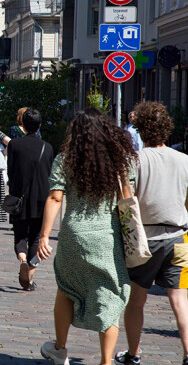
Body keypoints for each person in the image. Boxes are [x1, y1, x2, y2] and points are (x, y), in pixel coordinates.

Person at [38, 108, 137, 365]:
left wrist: (44, 236)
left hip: (73, 236)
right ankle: (106, 361)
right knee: (110, 299)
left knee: (66, 289)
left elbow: (55, 197)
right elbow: (128, 197)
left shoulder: (65, 159)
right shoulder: (120, 160)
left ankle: (60, 349)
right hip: (108, 237)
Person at [115, 102, 188, 365]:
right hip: (178, 237)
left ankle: (133, 353)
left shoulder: (133, 160)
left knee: (136, 299)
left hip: (144, 240)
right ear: (167, 128)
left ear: (141, 128)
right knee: (180, 297)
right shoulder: (184, 161)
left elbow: (127, 199)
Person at [6, 109, 53, 290]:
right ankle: (30, 277)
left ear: (23, 125)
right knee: (35, 238)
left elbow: (10, 171)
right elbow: (49, 173)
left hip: (20, 197)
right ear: (39, 126)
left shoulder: (15, 145)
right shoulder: (47, 147)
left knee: (20, 235)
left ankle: (22, 259)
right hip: (41, 198)